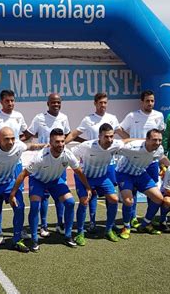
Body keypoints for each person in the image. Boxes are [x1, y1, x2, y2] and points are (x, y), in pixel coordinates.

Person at [10, 128, 91, 251]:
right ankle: (34, 239)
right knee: (35, 205)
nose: (61, 144)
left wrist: (88, 188)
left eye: (63, 141)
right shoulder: (40, 156)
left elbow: (78, 171)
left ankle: (68, 236)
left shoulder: (67, 154)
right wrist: (13, 193)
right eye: (57, 142)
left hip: (55, 181)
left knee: (70, 203)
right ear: (51, 142)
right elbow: (23, 174)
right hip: (38, 181)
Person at [0, 127, 45, 258]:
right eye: (7, 139)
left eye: (13, 138)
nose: (11, 142)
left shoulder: (18, 146)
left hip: (9, 183)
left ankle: (17, 240)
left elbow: (30, 146)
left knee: (19, 207)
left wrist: (46, 146)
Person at [65, 92, 120, 233]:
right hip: (90, 160)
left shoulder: (112, 118)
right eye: (100, 102)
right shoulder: (88, 119)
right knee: (91, 194)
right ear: (95, 103)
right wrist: (61, 144)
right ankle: (92, 222)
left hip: (108, 163)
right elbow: (74, 134)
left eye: (105, 102)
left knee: (111, 195)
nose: (103, 105)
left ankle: (110, 223)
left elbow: (123, 136)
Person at [0, 89, 28, 242]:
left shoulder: (19, 116)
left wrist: (16, 144)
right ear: (1, 102)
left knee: (17, 200)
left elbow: (26, 133)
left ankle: (19, 231)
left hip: (16, 163)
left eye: (12, 100)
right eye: (7, 101)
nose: (10, 103)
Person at [22, 93, 70, 237]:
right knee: (43, 196)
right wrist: (15, 142)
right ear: (48, 103)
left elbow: (67, 136)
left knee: (60, 193)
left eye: (58, 102)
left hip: (59, 162)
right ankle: (43, 226)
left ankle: (60, 223)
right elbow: (29, 134)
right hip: (43, 162)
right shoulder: (39, 118)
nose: (56, 104)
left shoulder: (64, 118)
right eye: (53, 102)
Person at [116, 90, 166, 229]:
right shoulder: (132, 116)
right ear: (142, 101)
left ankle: (148, 220)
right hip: (135, 156)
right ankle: (132, 219)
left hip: (151, 160)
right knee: (130, 193)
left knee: (153, 190)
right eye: (147, 101)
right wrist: (133, 140)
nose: (150, 103)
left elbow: (160, 134)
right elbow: (119, 129)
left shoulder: (159, 115)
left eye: (152, 101)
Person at [72, 123, 124, 245]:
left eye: (111, 136)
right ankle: (80, 233)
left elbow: (128, 141)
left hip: (102, 177)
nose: (110, 139)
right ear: (99, 136)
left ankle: (109, 229)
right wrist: (78, 168)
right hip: (85, 178)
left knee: (114, 199)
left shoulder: (116, 144)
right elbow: (72, 153)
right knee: (84, 201)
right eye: (106, 137)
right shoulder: (87, 146)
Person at [115, 129, 170, 239]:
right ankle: (126, 226)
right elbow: (119, 143)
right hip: (124, 174)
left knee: (158, 198)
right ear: (147, 139)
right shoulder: (132, 147)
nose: (158, 143)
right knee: (128, 200)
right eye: (155, 140)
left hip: (140, 173)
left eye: (160, 140)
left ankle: (145, 224)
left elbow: (162, 157)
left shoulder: (159, 149)